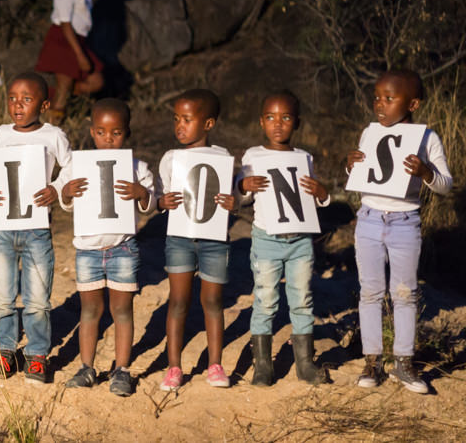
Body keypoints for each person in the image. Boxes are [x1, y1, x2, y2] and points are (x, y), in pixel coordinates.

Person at [345, 70, 452, 394]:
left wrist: (426, 171)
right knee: (371, 292)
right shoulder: (370, 131)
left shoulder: (427, 138)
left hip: (406, 221)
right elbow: (363, 172)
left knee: (405, 294)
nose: (380, 104)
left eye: (389, 99)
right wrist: (349, 163)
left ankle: (403, 363)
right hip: (369, 219)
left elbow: (445, 185)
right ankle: (372, 361)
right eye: (377, 97)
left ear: (413, 103)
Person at [59, 98, 155, 397]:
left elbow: (151, 202)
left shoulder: (137, 166)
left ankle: (122, 370)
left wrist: (142, 194)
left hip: (123, 249)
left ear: (126, 133)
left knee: (122, 309)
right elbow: (63, 198)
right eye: (101, 132)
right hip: (87, 250)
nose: (108, 139)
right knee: (90, 310)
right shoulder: (77, 163)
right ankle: (87, 367)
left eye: (115, 133)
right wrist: (66, 191)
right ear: (91, 131)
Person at [0, 72, 71, 383]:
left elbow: (71, 167)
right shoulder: (2, 133)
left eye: (27, 99)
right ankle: (3, 350)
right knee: (2, 294)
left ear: (44, 104)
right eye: (12, 98)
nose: (18, 105)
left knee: (37, 297)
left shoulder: (53, 135)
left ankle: (36, 355)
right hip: (3, 227)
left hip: (37, 229)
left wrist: (57, 189)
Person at [236, 91, 329, 386]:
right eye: (271, 117)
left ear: (297, 123)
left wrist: (322, 193)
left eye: (286, 117)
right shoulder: (253, 155)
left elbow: (310, 201)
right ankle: (263, 364)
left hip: (300, 240)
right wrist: (244, 184)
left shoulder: (305, 157)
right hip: (267, 239)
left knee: (302, 299)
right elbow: (242, 195)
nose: (278, 124)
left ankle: (304, 363)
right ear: (262, 121)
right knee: (265, 300)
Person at [156, 89, 237, 391]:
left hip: (214, 240)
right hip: (179, 238)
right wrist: (162, 203)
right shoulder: (170, 159)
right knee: (178, 301)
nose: (180, 126)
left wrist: (234, 202)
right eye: (176, 119)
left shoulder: (224, 158)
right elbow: (162, 199)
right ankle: (174, 367)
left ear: (209, 124)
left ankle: (215, 365)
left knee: (213, 302)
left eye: (187, 119)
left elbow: (230, 199)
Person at [34, 0, 105, 124]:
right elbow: (65, 23)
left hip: (78, 39)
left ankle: (51, 93)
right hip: (64, 39)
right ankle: (54, 124)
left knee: (96, 81)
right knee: (64, 90)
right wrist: (80, 55)